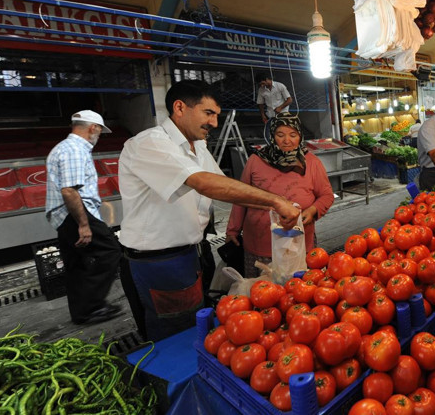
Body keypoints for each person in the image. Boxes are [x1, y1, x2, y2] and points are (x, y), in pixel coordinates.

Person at [118, 80, 301, 341]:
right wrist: (275, 202)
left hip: (193, 253)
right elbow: (204, 183)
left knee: (199, 326)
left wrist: (279, 204)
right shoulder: (148, 144)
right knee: (176, 337)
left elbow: (227, 188)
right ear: (179, 108)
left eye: (217, 115)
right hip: (160, 262)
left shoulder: (199, 146)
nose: (215, 123)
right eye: (208, 113)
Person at [226, 113, 334, 277]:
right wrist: (232, 230)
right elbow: (241, 197)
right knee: (262, 294)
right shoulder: (256, 161)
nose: (286, 140)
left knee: (298, 293)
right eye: (280, 135)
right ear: (272, 136)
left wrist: (313, 211)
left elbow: (326, 195)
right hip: (260, 245)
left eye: (293, 135)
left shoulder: (311, 162)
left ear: (300, 136)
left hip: (298, 244)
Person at [45, 110, 122, 325]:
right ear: (93, 128)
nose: (99, 135)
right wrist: (84, 224)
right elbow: (69, 191)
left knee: (76, 263)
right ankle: (93, 306)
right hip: (76, 212)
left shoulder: (64, 147)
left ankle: (81, 313)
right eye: (100, 130)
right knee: (110, 252)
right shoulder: (75, 150)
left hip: (64, 214)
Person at [256, 72, 293, 139]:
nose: (262, 85)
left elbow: (289, 100)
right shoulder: (261, 90)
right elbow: (260, 103)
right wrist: (263, 115)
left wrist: (280, 107)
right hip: (270, 115)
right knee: (270, 135)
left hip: (283, 115)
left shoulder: (280, 86)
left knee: (283, 134)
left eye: (263, 83)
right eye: (260, 84)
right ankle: (273, 148)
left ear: (267, 79)